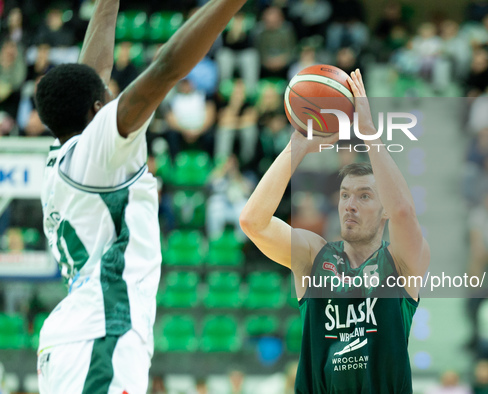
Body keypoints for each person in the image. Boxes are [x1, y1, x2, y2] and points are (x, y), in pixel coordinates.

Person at [35, 0, 247, 392]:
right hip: (101, 333)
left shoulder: (63, 157)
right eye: (106, 96)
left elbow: (92, 75)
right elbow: (166, 69)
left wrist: (106, 6)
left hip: (79, 337)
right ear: (98, 110)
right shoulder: (99, 149)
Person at [240, 69, 430, 393]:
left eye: (364, 196)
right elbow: (252, 222)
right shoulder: (315, 255)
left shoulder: (402, 264)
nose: (349, 205)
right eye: (344, 195)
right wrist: (296, 146)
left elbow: (404, 211)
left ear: (384, 211)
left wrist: (369, 132)